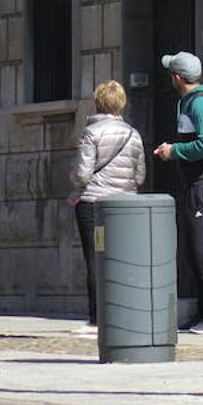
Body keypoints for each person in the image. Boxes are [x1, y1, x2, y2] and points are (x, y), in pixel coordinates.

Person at [153, 51, 203, 334]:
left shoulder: (200, 105)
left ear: (177, 78)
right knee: (198, 251)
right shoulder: (190, 103)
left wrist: (174, 151)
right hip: (195, 185)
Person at [69, 79, 146, 331]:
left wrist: (72, 177)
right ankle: (122, 312)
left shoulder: (91, 133)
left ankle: (96, 316)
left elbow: (82, 175)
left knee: (95, 259)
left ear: (98, 103)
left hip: (93, 203)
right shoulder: (134, 134)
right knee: (121, 259)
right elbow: (140, 176)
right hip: (124, 206)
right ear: (121, 104)